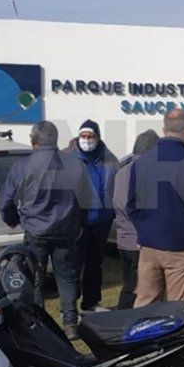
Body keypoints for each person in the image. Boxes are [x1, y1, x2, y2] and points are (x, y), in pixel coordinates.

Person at [0, 120, 93, 339]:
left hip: (36, 230)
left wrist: (11, 219)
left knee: (35, 278)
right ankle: (70, 323)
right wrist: (79, 224)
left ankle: (38, 322)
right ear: (55, 139)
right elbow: (87, 200)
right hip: (66, 230)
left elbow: (6, 201)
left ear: (34, 141)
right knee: (67, 277)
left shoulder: (22, 166)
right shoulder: (76, 164)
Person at [127, 109, 184, 306]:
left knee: (145, 305)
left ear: (164, 129)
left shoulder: (141, 163)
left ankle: (144, 328)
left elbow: (131, 205)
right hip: (182, 248)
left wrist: (144, 232)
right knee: (182, 308)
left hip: (149, 246)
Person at [64, 119, 118, 313]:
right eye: (83, 136)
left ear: (97, 137)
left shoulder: (110, 159)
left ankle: (91, 303)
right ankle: (70, 307)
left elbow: (116, 187)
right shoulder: (67, 158)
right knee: (73, 265)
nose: (86, 140)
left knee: (95, 265)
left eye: (90, 136)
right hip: (77, 222)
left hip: (102, 221)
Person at [112, 129, 159, 310]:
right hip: (140, 240)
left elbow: (117, 202)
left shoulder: (122, 172)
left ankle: (124, 315)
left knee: (130, 282)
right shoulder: (148, 172)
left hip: (123, 239)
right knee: (138, 287)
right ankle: (125, 318)